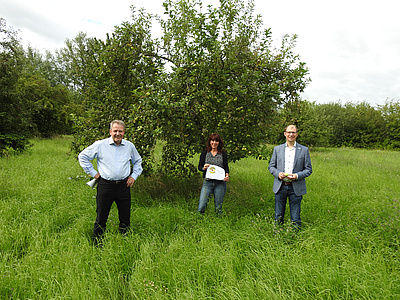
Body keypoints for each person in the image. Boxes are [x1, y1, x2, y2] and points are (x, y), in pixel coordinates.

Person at [78, 120, 142, 245]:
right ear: (110, 132)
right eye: (115, 131)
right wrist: (93, 173)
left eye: (120, 131)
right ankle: (97, 244)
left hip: (124, 185)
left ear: (124, 132)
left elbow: (138, 161)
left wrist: (133, 176)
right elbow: (83, 156)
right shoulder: (100, 145)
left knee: (125, 217)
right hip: (105, 185)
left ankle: (125, 242)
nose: (118, 133)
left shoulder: (129, 146)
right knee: (101, 217)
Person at [268, 125, 312, 230]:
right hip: (280, 186)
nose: (291, 134)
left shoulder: (304, 150)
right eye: (289, 132)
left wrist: (297, 176)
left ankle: (295, 237)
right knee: (278, 215)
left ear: (297, 134)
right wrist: (278, 173)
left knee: (295, 216)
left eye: (293, 132)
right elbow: (271, 166)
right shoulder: (277, 149)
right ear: (285, 133)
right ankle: (277, 234)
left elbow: (308, 170)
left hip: (296, 187)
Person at [197, 133, 230, 215]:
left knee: (218, 207)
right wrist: (203, 168)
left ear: (219, 142)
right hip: (207, 182)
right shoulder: (205, 153)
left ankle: (219, 224)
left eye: (216, 141)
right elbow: (199, 167)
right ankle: (198, 222)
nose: (214, 143)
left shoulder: (223, 154)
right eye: (212, 140)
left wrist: (227, 176)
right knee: (201, 206)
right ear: (209, 142)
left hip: (220, 183)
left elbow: (226, 167)